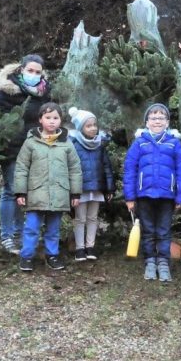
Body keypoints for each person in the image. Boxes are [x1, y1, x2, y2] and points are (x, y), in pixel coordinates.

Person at [123, 104, 181, 282]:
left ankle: (163, 263)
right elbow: (130, 170)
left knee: (164, 230)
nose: (157, 121)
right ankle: (150, 262)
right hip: (144, 196)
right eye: (153, 117)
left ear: (167, 122)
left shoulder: (174, 143)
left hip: (167, 196)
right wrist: (129, 197)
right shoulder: (139, 143)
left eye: (161, 118)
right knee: (148, 230)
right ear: (146, 122)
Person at [0, 54, 52, 255]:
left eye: (37, 72)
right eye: (30, 71)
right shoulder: (7, 91)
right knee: (11, 191)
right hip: (13, 149)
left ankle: (20, 232)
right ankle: (7, 235)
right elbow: (0, 121)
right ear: (21, 70)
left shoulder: (44, 92)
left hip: (36, 148)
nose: (33, 75)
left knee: (26, 192)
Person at [15, 103, 82, 272]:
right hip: (36, 193)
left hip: (59, 193)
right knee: (31, 228)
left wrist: (75, 193)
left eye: (56, 118)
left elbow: (75, 169)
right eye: (48, 117)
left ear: (61, 121)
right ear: (40, 120)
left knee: (53, 229)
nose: (52, 121)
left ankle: (52, 255)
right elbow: (22, 168)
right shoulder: (30, 143)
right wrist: (20, 191)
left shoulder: (67, 144)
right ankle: (27, 256)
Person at [67, 106, 115, 261]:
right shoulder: (73, 145)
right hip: (80, 189)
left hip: (97, 188)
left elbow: (107, 167)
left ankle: (90, 246)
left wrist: (109, 188)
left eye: (95, 125)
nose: (93, 128)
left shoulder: (100, 145)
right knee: (80, 218)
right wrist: (72, 190)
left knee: (93, 217)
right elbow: (70, 168)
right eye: (88, 125)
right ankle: (80, 248)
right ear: (81, 128)